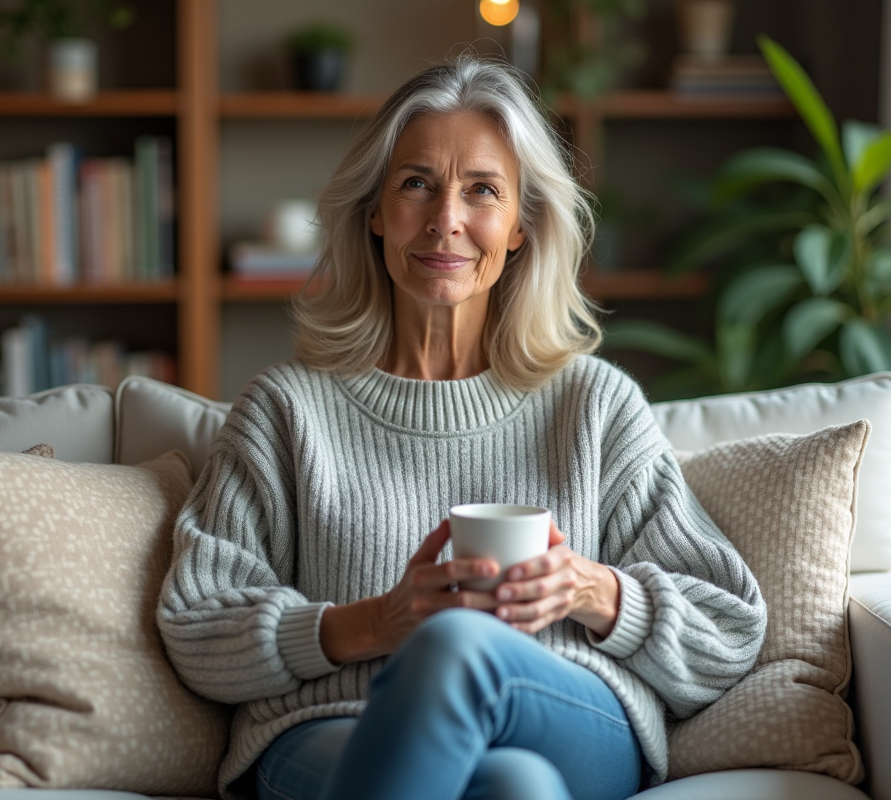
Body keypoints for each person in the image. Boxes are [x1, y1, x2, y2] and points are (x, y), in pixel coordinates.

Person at [157, 56, 766, 800]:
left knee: (461, 652)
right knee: (513, 788)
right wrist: (374, 624)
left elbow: (729, 628)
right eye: (416, 184)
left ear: (518, 228)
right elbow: (197, 621)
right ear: (375, 213)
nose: (447, 218)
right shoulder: (289, 410)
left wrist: (589, 589)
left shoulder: (594, 405)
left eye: (483, 191)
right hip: (334, 728)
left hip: (569, 714)